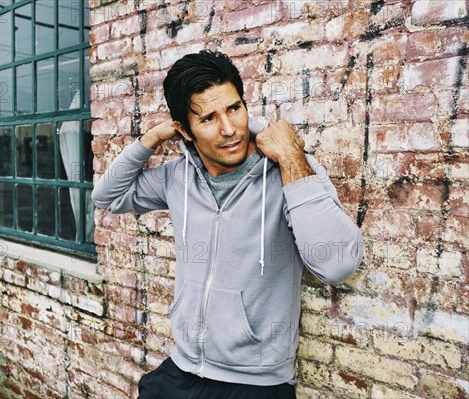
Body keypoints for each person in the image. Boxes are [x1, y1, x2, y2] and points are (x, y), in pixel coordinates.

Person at [91, 50, 362, 399]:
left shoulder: (291, 170)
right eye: (208, 118)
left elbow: (338, 264)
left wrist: (292, 157)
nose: (230, 129)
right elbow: (107, 196)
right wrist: (153, 138)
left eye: (234, 108)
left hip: (257, 382)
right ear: (185, 131)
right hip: (182, 367)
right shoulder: (177, 178)